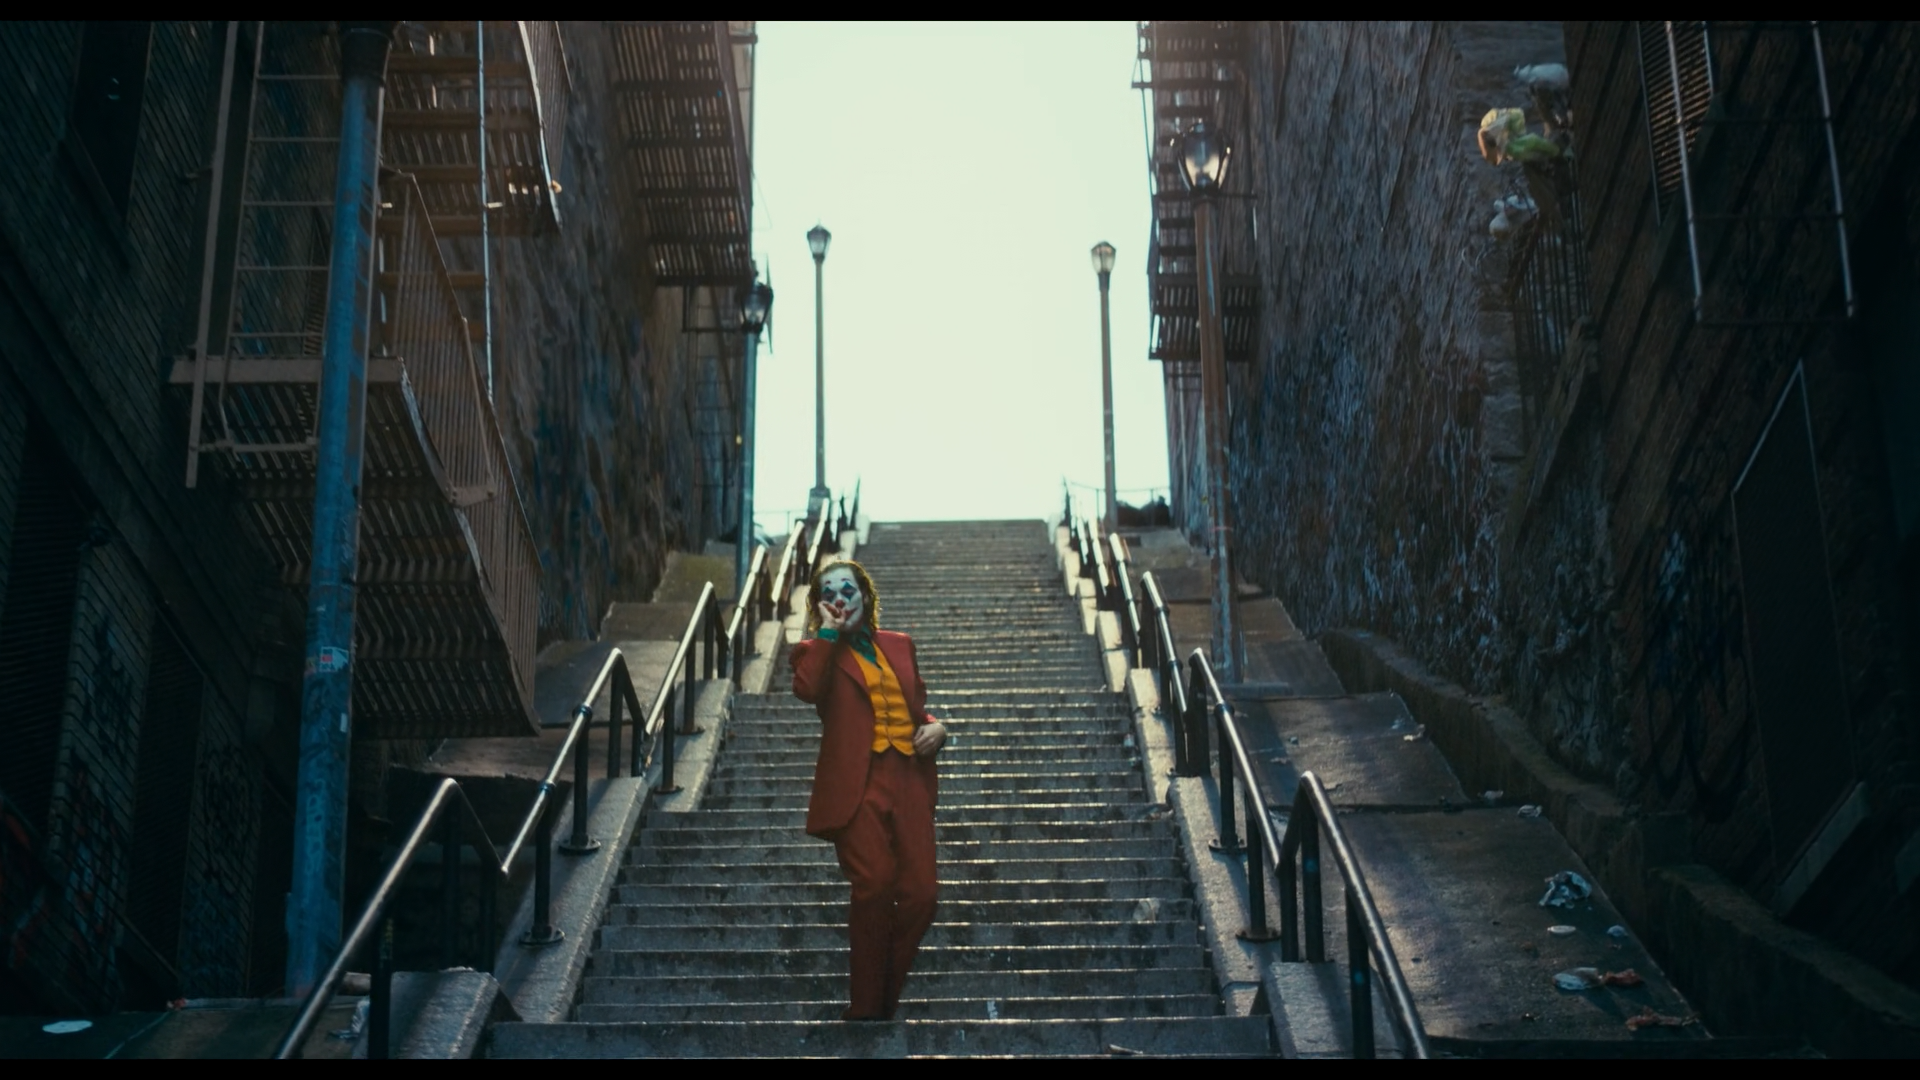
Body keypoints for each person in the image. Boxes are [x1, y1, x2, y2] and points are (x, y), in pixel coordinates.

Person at [790, 559, 948, 1021]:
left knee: (923, 895)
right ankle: (868, 1008)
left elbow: (917, 708)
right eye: (829, 593)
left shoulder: (899, 645)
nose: (840, 598)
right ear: (820, 605)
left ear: (866, 595)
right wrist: (827, 633)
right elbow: (806, 690)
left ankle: (879, 995)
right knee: (875, 885)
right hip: (858, 786)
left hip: (910, 779)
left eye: (848, 589)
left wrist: (940, 728)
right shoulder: (815, 652)